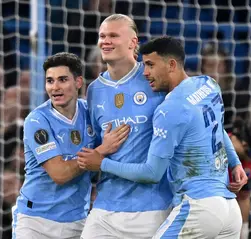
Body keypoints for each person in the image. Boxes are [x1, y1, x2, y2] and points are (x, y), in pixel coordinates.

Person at [78, 36, 248, 238]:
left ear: (171, 65)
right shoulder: (208, 85)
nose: (145, 72)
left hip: (199, 206)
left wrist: (102, 163)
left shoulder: (169, 110)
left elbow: (151, 173)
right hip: (229, 209)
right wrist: (235, 163)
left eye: (150, 65)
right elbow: (217, 127)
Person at [11, 52, 129, 239]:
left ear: (78, 82)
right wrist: (100, 151)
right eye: (50, 81)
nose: (55, 87)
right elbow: (60, 174)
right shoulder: (37, 120)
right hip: (35, 222)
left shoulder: (91, 113)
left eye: (62, 80)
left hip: (77, 221)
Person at [80, 14, 172, 239]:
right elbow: (93, 148)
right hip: (105, 207)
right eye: (102, 36)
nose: (105, 41)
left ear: (133, 42)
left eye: (113, 35)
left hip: (153, 207)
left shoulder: (155, 78)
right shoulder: (94, 90)